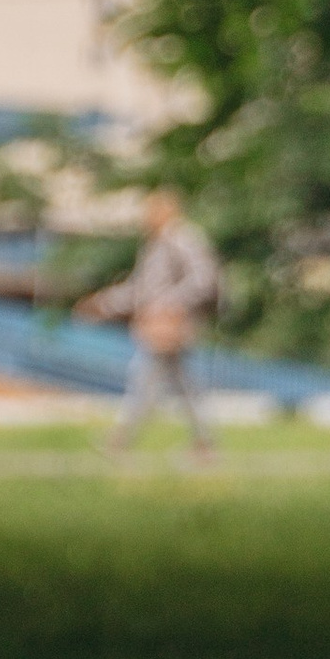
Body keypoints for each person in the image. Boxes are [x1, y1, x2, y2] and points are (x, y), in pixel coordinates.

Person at [83, 187, 223, 460]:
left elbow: (204, 279)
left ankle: (120, 440)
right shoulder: (156, 244)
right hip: (161, 327)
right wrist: (105, 303)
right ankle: (204, 445)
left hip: (171, 327)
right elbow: (140, 290)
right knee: (183, 386)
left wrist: (168, 305)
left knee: (146, 379)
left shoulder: (182, 238)